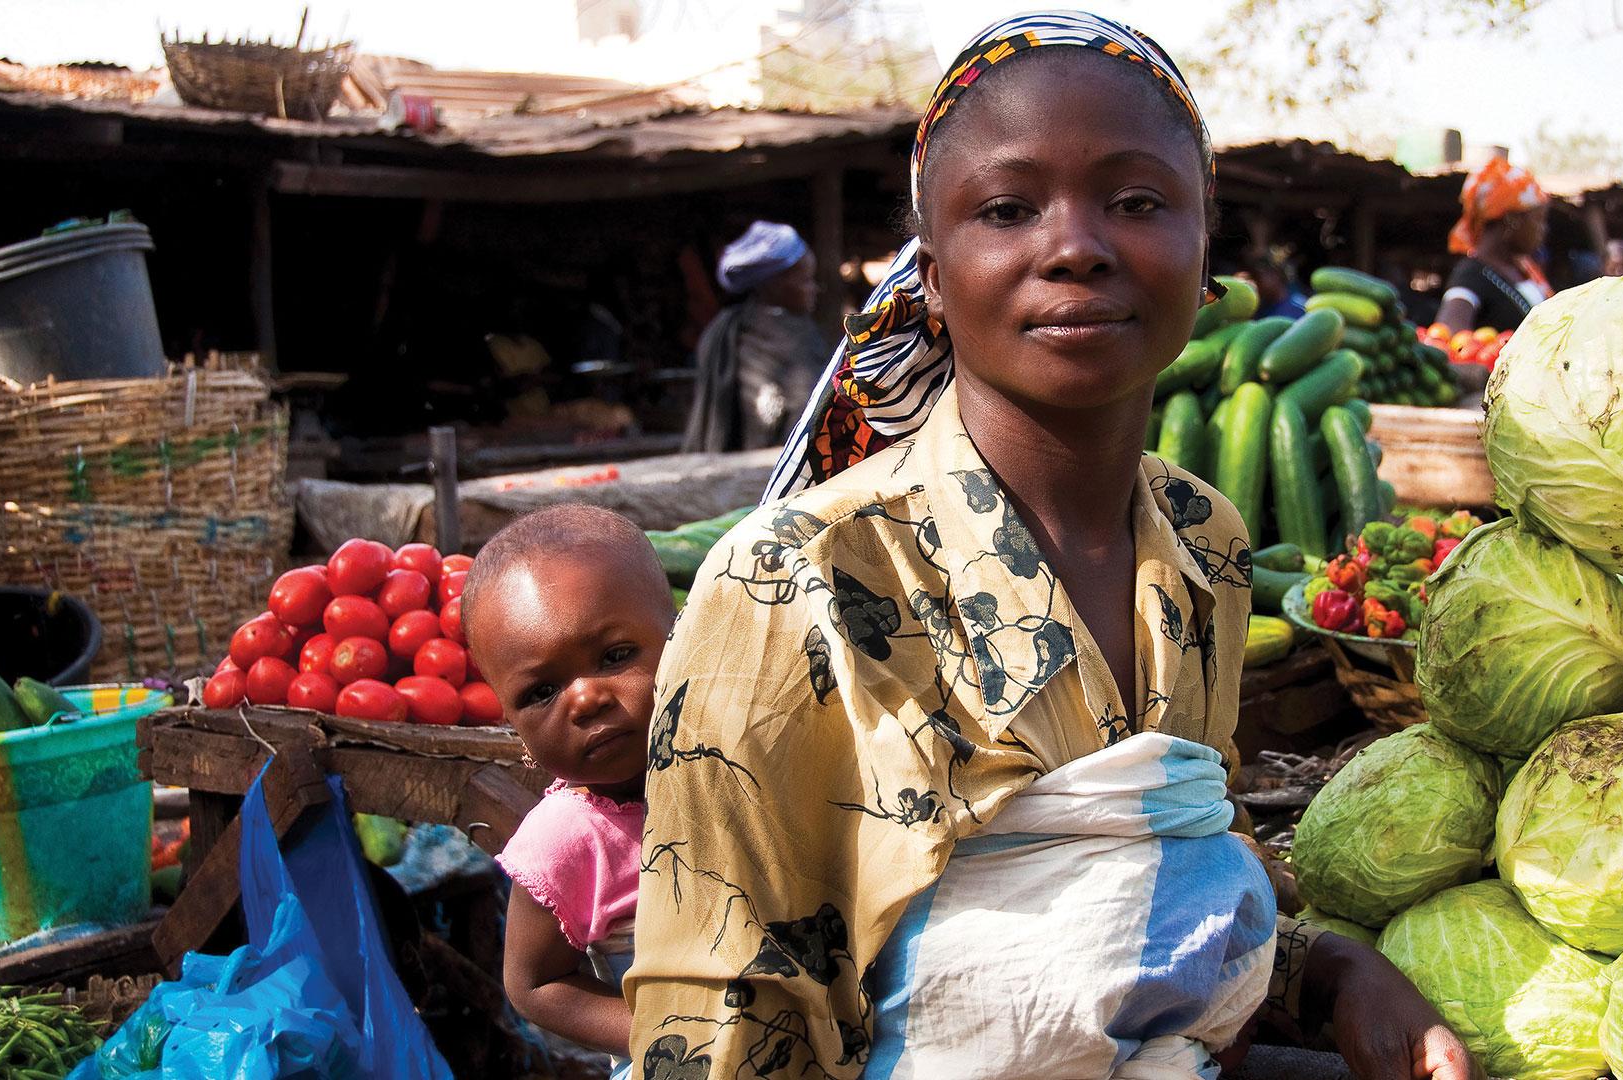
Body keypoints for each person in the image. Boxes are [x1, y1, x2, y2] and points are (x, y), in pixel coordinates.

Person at [627, 12, 1475, 1080]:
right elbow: (715, 1027)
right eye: (1006, 208)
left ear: (1204, 248)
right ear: (931, 272)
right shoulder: (798, 583)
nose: (1075, 245)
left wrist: (1333, 973)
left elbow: (1163, 886)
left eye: (1134, 201)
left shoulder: (1205, 544)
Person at [461, 504, 676, 1080]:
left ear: (681, 633)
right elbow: (536, 983)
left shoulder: (743, 760)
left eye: (615, 657)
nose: (585, 699)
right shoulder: (568, 837)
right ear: (512, 726)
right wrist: (662, 1031)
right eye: (540, 693)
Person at [680, 221, 830, 453]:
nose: (814, 289)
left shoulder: (732, 325)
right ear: (774, 284)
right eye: (805, 280)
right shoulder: (794, 336)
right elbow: (809, 405)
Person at [1434, 158, 1553, 333]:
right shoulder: (1471, 275)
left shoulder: (1523, 269)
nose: (1544, 229)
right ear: (1512, 220)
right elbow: (1448, 333)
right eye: (1539, 219)